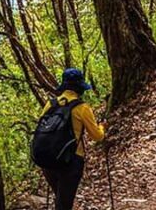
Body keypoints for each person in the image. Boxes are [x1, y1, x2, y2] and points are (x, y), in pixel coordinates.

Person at [38, 68, 105, 210]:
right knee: (64, 204)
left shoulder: (50, 104)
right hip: (71, 161)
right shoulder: (82, 108)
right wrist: (102, 127)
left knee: (61, 200)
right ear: (79, 88)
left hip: (47, 159)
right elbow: (97, 137)